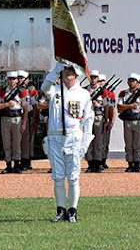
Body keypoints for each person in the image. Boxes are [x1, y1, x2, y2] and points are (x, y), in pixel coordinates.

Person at [40, 63, 94, 223]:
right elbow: (44, 86)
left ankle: (73, 210)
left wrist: (85, 142)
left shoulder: (84, 94)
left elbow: (88, 120)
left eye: (70, 70)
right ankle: (60, 209)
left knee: (73, 177)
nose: (67, 73)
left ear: (77, 74)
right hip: (55, 138)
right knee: (57, 177)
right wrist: (56, 69)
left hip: (74, 137)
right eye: (65, 70)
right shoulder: (55, 91)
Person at [0, 71, 26, 174]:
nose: (12, 81)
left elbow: (25, 108)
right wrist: (6, 104)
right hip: (5, 117)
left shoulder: (21, 91)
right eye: (10, 79)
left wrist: (24, 123)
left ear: (17, 80)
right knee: (6, 142)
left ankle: (17, 165)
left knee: (16, 142)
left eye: (14, 79)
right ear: (7, 80)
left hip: (17, 118)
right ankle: (8, 165)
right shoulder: (2, 92)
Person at [117, 73, 140, 172]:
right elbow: (119, 108)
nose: (132, 83)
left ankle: (138, 163)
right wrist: (130, 106)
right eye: (130, 81)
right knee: (128, 143)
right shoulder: (123, 93)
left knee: (137, 143)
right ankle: (130, 163)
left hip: (138, 120)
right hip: (127, 120)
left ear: (138, 83)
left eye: (134, 81)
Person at [85, 70, 106, 172]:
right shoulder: (84, 91)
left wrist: (99, 106)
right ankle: (90, 163)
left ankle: (98, 163)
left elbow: (108, 107)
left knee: (98, 141)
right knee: (88, 141)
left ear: (98, 79)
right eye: (91, 77)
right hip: (87, 117)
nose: (93, 80)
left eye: (95, 78)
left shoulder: (103, 91)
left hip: (98, 117)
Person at [18, 69, 39, 171]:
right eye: (18, 78)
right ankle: (20, 160)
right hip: (17, 116)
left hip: (28, 116)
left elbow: (35, 105)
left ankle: (27, 161)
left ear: (27, 80)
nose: (19, 80)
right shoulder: (15, 90)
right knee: (19, 140)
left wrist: (36, 119)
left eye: (22, 78)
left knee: (27, 140)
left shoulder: (31, 90)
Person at [101, 73, 116, 170]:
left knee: (105, 141)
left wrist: (111, 121)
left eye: (102, 81)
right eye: (99, 81)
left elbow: (113, 108)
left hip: (105, 119)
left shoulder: (109, 94)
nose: (101, 83)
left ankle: (103, 160)